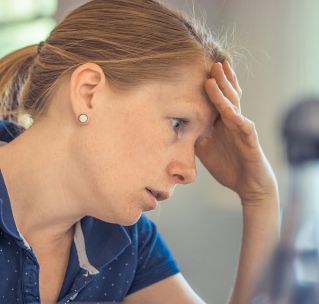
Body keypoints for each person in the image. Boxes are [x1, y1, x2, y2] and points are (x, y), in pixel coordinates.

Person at [0, 0, 280, 303]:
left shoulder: (125, 243)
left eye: (197, 143)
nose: (188, 171)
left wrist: (259, 197)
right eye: (177, 124)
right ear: (88, 92)